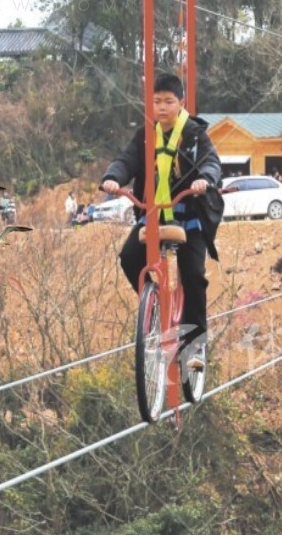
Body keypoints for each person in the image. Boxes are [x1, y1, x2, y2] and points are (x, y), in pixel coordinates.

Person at [101, 73, 224, 370]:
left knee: (193, 276)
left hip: (189, 219)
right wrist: (112, 178)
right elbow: (126, 160)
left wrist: (204, 181)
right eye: (157, 102)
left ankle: (194, 348)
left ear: (181, 103)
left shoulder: (194, 134)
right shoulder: (146, 134)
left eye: (169, 101)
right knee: (130, 258)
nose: (162, 107)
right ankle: (155, 306)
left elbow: (212, 162)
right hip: (154, 216)